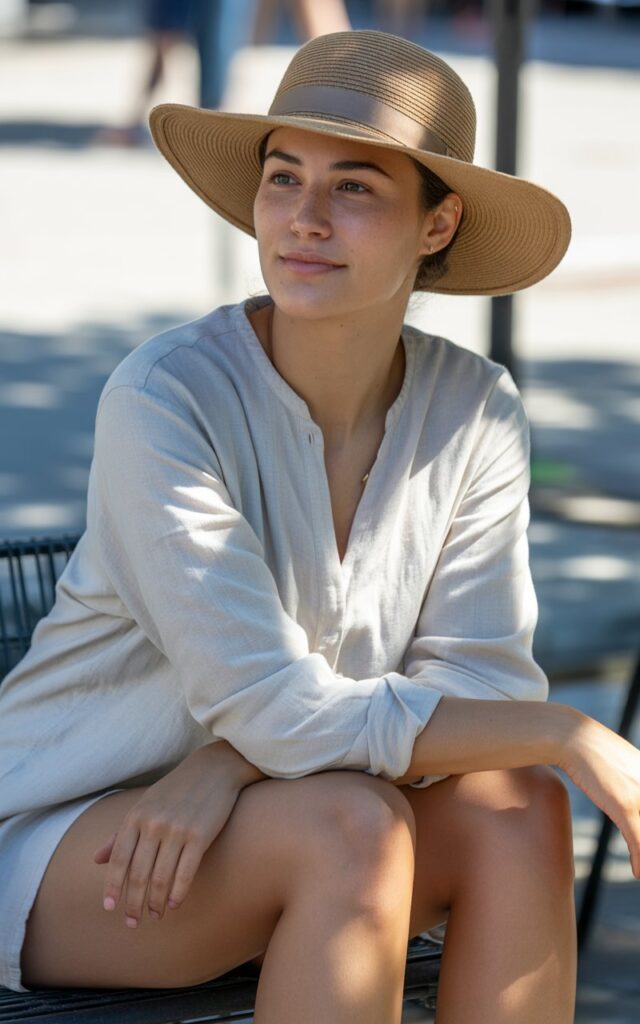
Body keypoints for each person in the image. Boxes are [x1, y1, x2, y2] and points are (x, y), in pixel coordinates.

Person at [1, 28, 639, 1024]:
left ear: (437, 224)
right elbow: (278, 703)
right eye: (283, 177)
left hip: (279, 813)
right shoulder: (166, 399)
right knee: (358, 825)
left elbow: (478, 682)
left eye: (354, 188)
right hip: (72, 843)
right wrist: (568, 732)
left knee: (518, 807)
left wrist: (232, 759)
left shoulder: (473, 408)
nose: (301, 220)